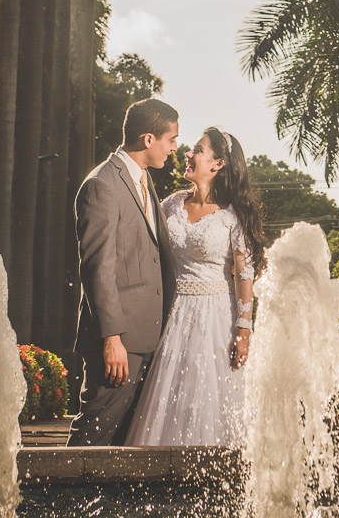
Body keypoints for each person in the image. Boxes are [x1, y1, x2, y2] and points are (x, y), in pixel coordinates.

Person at [125, 127, 266, 447]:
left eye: (197, 150)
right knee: (168, 392)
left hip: (218, 317)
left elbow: (244, 275)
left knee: (209, 394)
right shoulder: (170, 205)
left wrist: (244, 330)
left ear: (217, 164)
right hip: (172, 314)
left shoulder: (233, 215)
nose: (187, 154)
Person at [67, 98, 179, 446]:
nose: (175, 148)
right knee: (94, 436)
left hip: (147, 338)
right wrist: (112, 339)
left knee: (123, 443)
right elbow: (98, 269)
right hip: (118, 343)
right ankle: (64, 500)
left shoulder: (143, 180)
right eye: (171, 139)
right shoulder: (102, 185)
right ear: (149, 139)